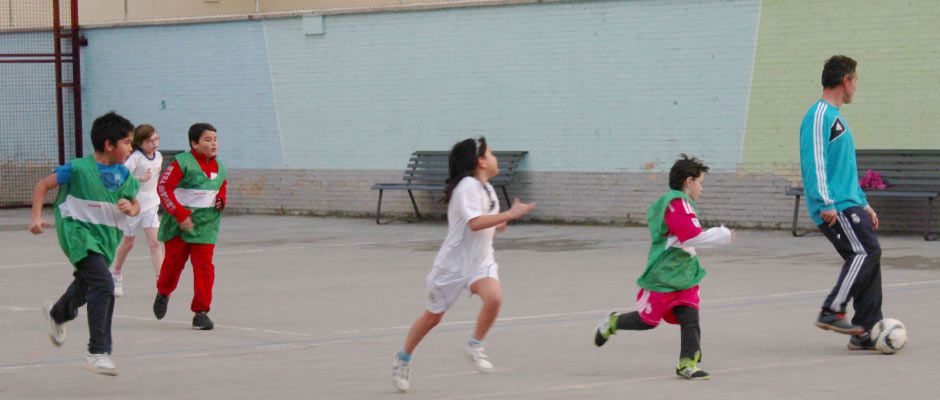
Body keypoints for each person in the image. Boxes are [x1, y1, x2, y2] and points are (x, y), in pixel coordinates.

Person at [392, 137, 536, 392]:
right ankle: (403, 357)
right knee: (432, 318)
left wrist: (499, 224)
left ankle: (474, 344)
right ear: (480, 162)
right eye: (491, 154)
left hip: (480, 261)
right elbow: (475, 223)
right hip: (452, 266)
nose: (495, 158)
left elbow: (485, 226)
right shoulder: (467, 187)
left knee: (494, 297)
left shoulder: (487, 189)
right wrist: (509, 215)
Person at [593, 154, 733, 380]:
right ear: (689, 181)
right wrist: (722, 235)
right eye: (700, 183)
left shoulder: (682, 203)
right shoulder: (677, 203)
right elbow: (690, 236)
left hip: (685, 275)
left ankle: (687, 363)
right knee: (647, 321)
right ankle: (614, 321)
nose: (701, 188)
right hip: (663, 276)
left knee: (690, 318)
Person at [31, 111, 141, 375]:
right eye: (127, 142)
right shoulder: (77, 168)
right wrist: (36, 217)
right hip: (77, 234)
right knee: (104, 283)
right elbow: (42, 185)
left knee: (87, 284)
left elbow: (135, 204)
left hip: (105, 239)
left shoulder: (124, 175)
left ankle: (58, 313)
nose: (131, 148)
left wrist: (131, 208)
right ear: (109, 144)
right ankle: (98, 351)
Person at [799, 55, 883, 350]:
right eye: (855, 80)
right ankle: (832, 309)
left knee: (869, 258)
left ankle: (865, 331)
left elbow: (844, 169)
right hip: (834, 205)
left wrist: (864, 202)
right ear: (845, 81)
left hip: (849, 202)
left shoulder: (837, 117)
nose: (856, 87)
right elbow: (815, 162)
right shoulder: (819, 115)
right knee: (865, 252)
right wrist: (825, 202)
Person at [152, 123, 227, 331]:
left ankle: (201, 313)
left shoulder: (220, 167)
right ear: (194, 144)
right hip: (179, 226)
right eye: (207, 140)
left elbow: (221, 185)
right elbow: (164, 187)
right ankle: (163, 292)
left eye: (215, 139)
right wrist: (180, 214)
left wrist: (221, 199)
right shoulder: (181, 163)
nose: (213, 144)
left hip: (206, 226)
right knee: (173, 265)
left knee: (204, 267)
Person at [111, 124, 164, 296]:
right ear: (140, 143)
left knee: (155, 242)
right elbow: (121, 177)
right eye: (150, 141)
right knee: (128, 243)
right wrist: (140, 178)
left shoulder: (159, 157)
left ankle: (161, 281)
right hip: (133, 205)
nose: (154, 143)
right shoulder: (135, 158)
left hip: (151, 205)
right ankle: (116, 273)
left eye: (156, 139)